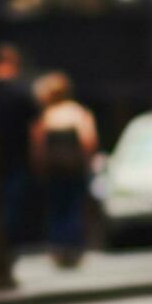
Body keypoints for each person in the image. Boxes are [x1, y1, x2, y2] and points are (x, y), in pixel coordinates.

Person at [29, 71, 98, 268]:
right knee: (74, 207)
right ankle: (74, 246)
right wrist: (86, 163)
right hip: (75, 168)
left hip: (54, 169)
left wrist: (39, 167)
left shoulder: (46, 116)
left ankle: (59, 247)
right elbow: (89, 142)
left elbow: (38, 146)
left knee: (56, 209)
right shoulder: (78, 113)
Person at [0, 44, 40, 246]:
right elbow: (35, 125)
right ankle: (4, 244)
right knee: (11, 206)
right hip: (15, 158)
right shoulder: (21, 91)